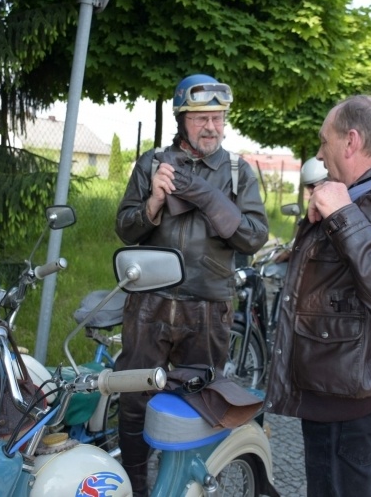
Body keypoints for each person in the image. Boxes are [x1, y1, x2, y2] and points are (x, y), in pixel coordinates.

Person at [265, 95, 371, 496]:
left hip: (351, 407)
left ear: (351, 141)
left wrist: (344, 216)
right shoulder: (360, 195)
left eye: (325, 142)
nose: (321, 155)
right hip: (339, 396)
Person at [114, 74, 269, 496]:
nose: (212, 127)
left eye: (219, 118)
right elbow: (125, 229)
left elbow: (254, 236)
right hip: (149, 306)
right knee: (133, 404)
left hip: (208, 309)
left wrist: (213, 201)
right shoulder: (151, 164)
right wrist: (154, 203)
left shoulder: (238, 173)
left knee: (198, 406)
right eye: (202, 118)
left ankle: (184, 487)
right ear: (182, 119)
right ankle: (136, 487)